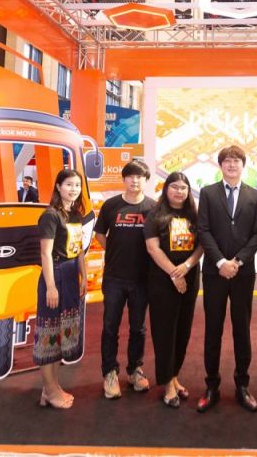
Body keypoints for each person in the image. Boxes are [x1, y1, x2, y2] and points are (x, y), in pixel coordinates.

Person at [197, 145, 257, 413]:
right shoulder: (207, 193)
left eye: (236, 161)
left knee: (242, 329)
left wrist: (237, 262)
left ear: (243, 165)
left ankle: (242, 385)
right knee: (212, 329)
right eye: (227, 161)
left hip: (242, 273)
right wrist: (220, 262)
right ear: (220, 165)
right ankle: (211, 385)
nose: (232, 165)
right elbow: (203, 230)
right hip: (214, 272)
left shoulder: (254, 196)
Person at [94, 159, 155, 398]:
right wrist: (113, 250)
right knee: (110, 327)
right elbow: (100, 233)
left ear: (146, 180)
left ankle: (134, 370)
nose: (135, 180)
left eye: (140, 177)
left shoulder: (153, 207)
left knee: (138, 328)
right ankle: (109, 372)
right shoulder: (111, 205)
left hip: (142, 278)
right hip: (114, 278)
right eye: (131, 176)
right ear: (124, 179)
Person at [144, 172, 204, 408]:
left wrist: (186, 266)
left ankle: (175, 375)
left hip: (190, 277)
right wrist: (174, 273)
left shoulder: (194, 215)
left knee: (183, 330)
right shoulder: (155, 214)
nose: (179, 191)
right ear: (166, 189)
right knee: (164, 331)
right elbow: (152, 248)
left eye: (183, 188)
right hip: (162, 279)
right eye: (175, 187)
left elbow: (202, 245)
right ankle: (167, 383)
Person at [34, 168, 88, 409]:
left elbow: (79, 249)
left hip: (71, 274)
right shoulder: (50, 215)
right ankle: (50, 390)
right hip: (54, 275)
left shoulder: (75, 214)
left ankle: (52, 388)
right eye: (69, 184)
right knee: (49, 334)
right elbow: (45, 253)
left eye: (77, 185)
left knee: (59, 334)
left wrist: (83, 276)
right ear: (58, 186)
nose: (73, 189)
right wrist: (50, 287)